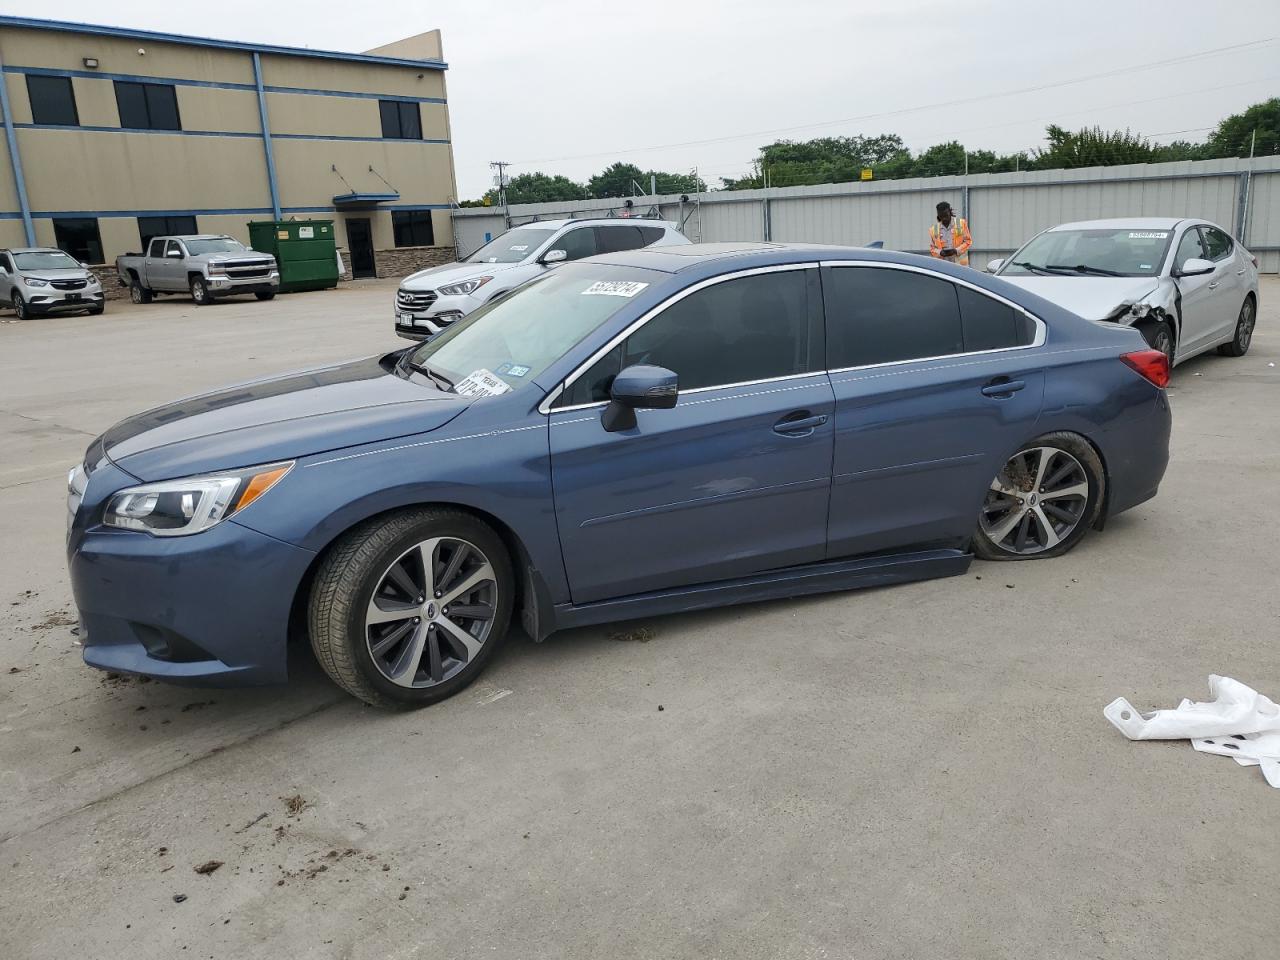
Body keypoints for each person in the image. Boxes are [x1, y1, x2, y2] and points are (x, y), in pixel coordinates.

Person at [929, 201, 972, 266]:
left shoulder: (961, 223)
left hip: (960, 265)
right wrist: (940, 252)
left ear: (950, 211)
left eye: (945, 215)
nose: (944, 218)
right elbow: (932, 248)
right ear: (938, 214)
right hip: (942, 266)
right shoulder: (933, 229)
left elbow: (968, 241)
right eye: (941, 216)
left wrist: (956, 250)